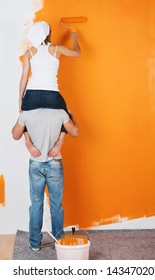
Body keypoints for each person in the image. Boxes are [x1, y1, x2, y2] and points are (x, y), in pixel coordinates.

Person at [12, 107, 79, 251]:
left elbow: (14, 134)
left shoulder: (28, 112)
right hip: (54, 162)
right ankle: (59, 242)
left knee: (36, 205)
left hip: (36, 163)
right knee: (56, 206)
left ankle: (35, 244)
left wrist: (28, 142)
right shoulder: (60, 112)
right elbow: (75, 131)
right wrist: (70, 114)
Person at [19, 21, 80, 158]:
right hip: (52, 95)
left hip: (31, 95)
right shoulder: (56, 49)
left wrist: (20, 101)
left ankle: (28, 141)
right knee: (68, 118)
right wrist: (74, 38)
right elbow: (77, 53)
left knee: (24, 116)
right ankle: (60, 142)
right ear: (48, 34)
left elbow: (24, 78)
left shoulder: (29, 52)